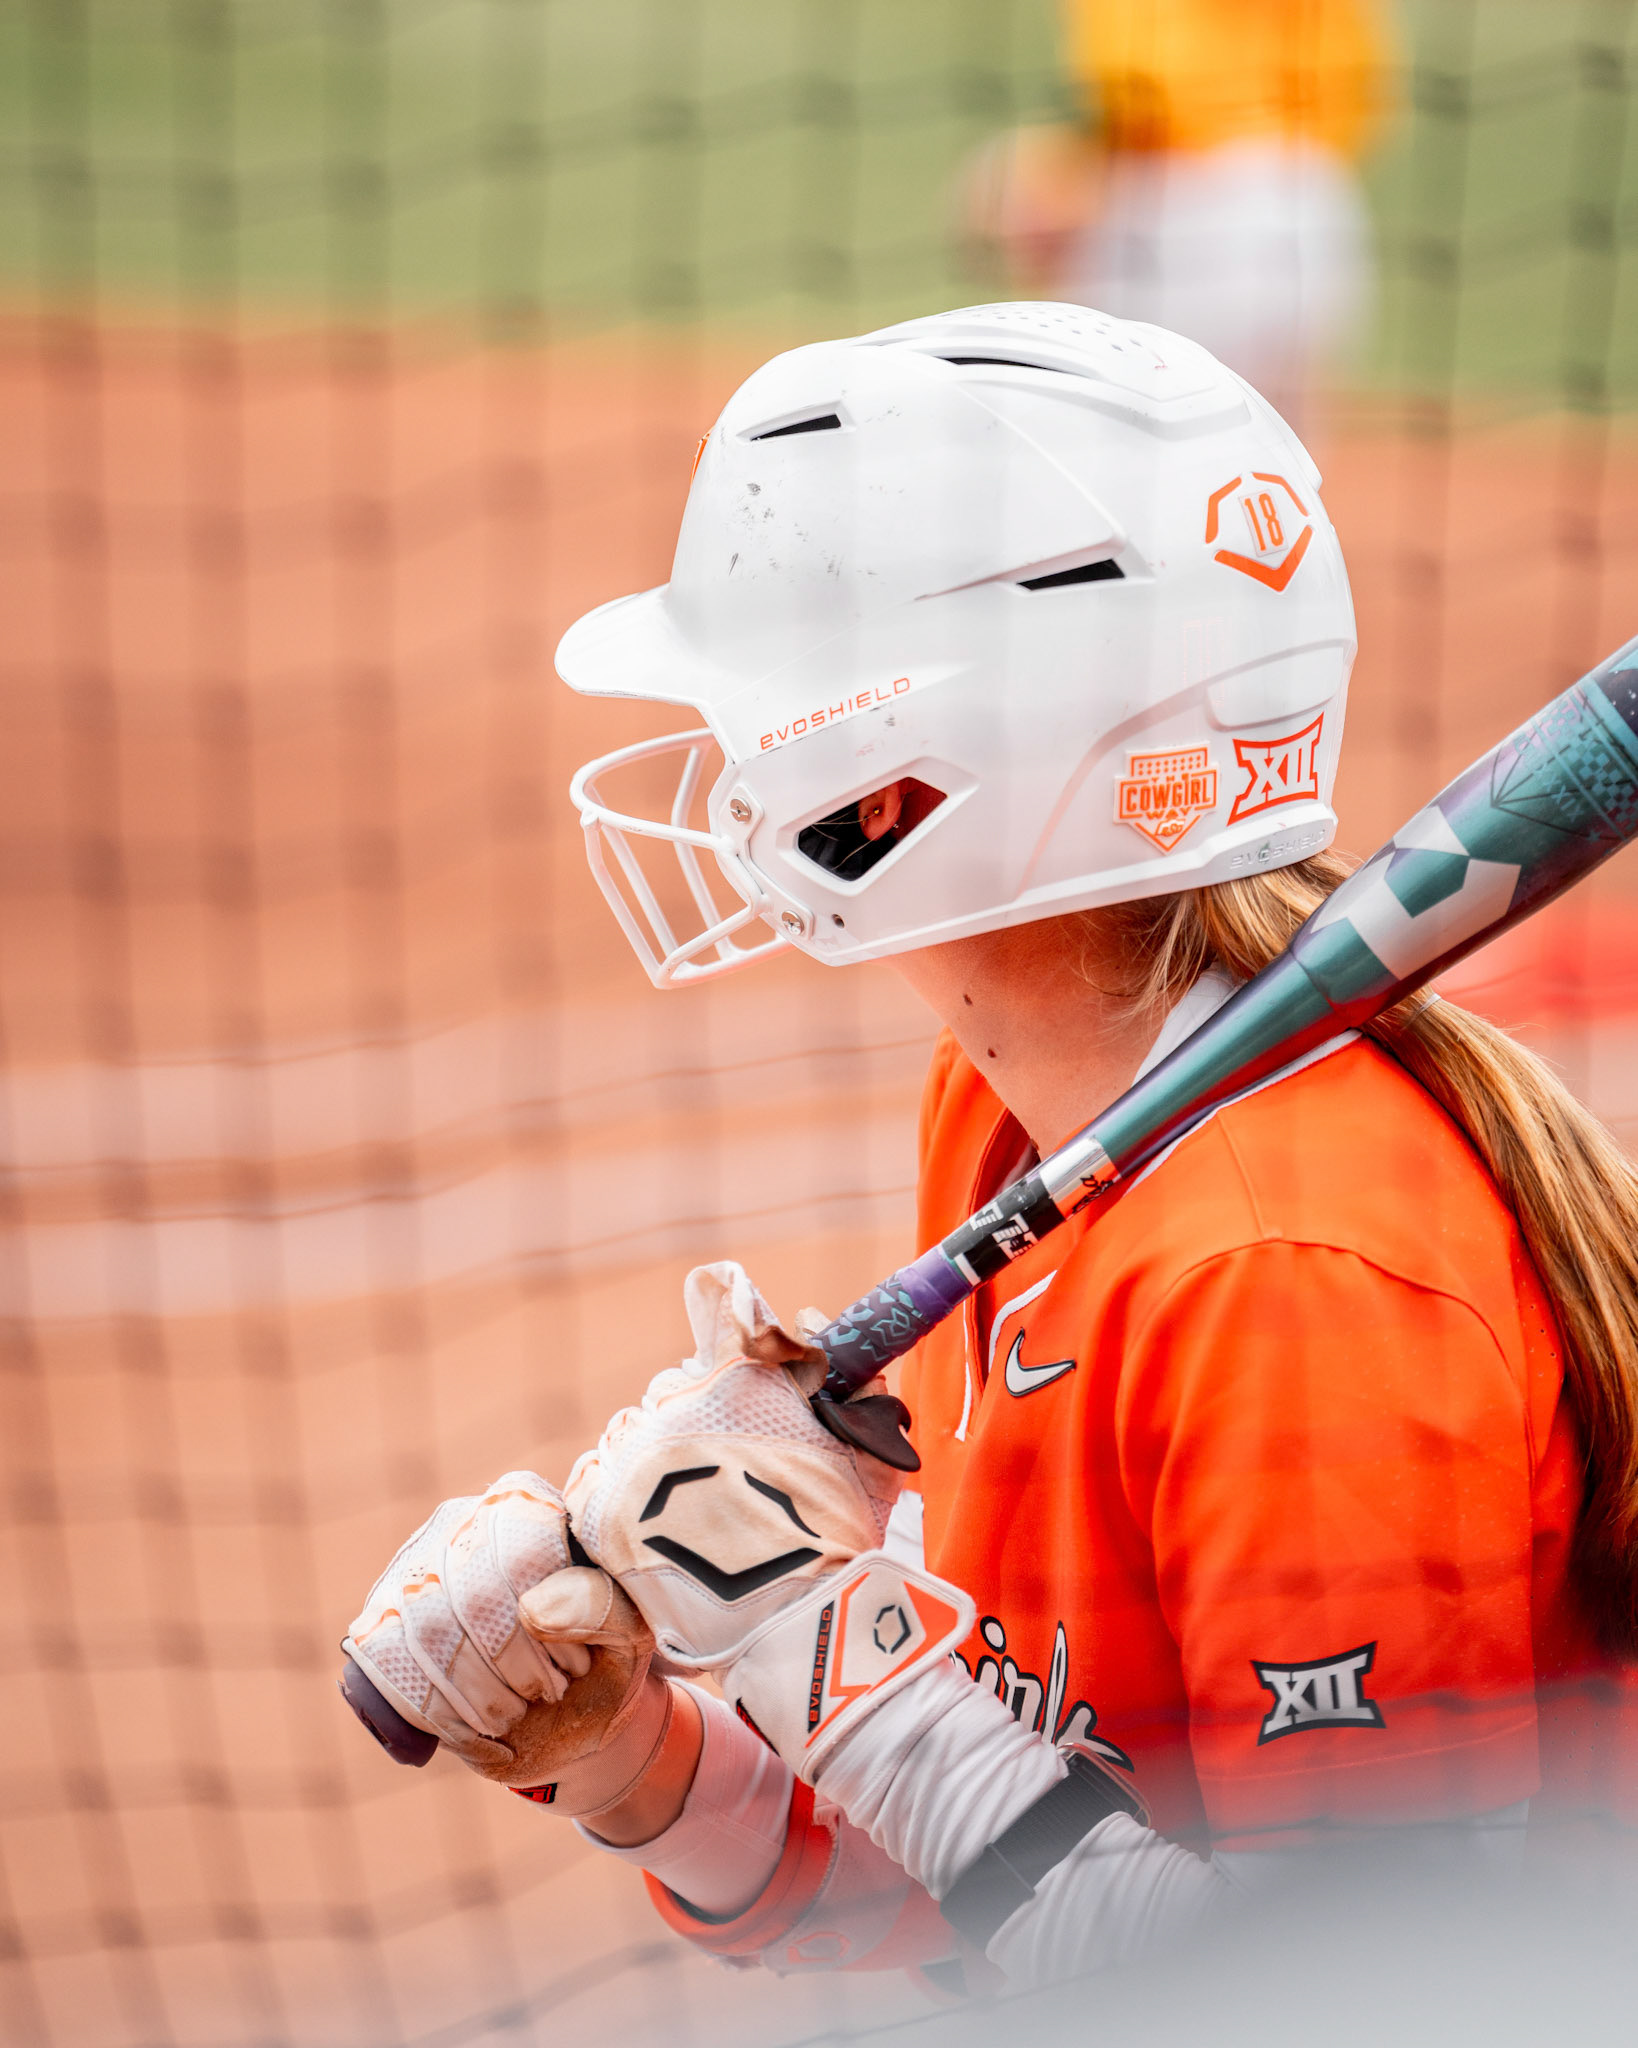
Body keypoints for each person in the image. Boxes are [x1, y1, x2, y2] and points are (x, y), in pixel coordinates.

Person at [344, 304, 1638, 1995]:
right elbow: (1009, 1869)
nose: (721, 764)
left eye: (753, 712)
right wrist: (641, 1760)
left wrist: (824, 1642)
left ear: (894, 786)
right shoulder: (1005, 1109)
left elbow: (1352, 1996)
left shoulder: (1291, 1283)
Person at [961, 0, 1397, 430]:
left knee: (1119, 456)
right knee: (1275, 467)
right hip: (1318, 211)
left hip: (1183, 224)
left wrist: (1058, 173)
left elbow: (1138, 87)